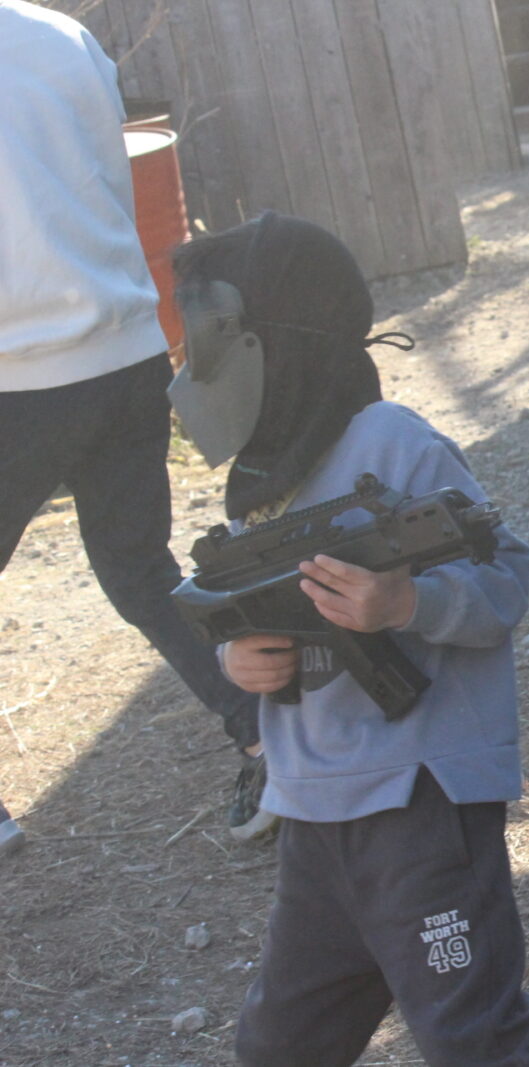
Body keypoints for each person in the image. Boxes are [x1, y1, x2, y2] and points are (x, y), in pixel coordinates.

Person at [168, 210, 529, 1067]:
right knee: (280, 1048)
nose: (194, 367)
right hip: (313, 817)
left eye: (212, 337)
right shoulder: (263, 475)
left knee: (477, 1038)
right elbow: (243, 610)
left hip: (420, 808)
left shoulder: (391, 443)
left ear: (273, 338)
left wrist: (406, 604)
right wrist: (237, 659)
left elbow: (505, 579)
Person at [0, 0, 271, 849]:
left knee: (138, 567)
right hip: (124, 345)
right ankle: (264, 735)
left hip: (16, 367)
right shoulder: (61, 35)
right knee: (139, 567)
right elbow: (109, 177)